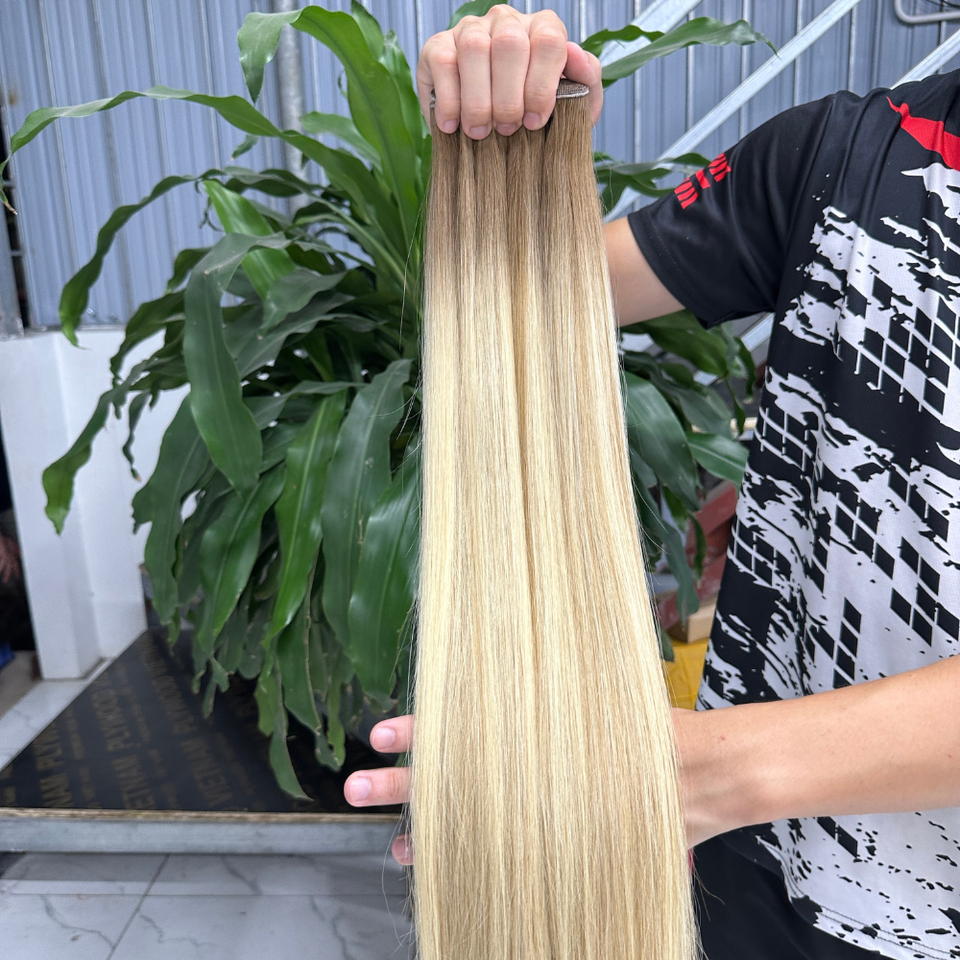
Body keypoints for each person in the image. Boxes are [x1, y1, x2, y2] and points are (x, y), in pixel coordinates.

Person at [343, 8, 960, 959]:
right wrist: (514, 144)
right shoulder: (841, 155)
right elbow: (535, 299)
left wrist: (704, 770)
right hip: (749, 872)